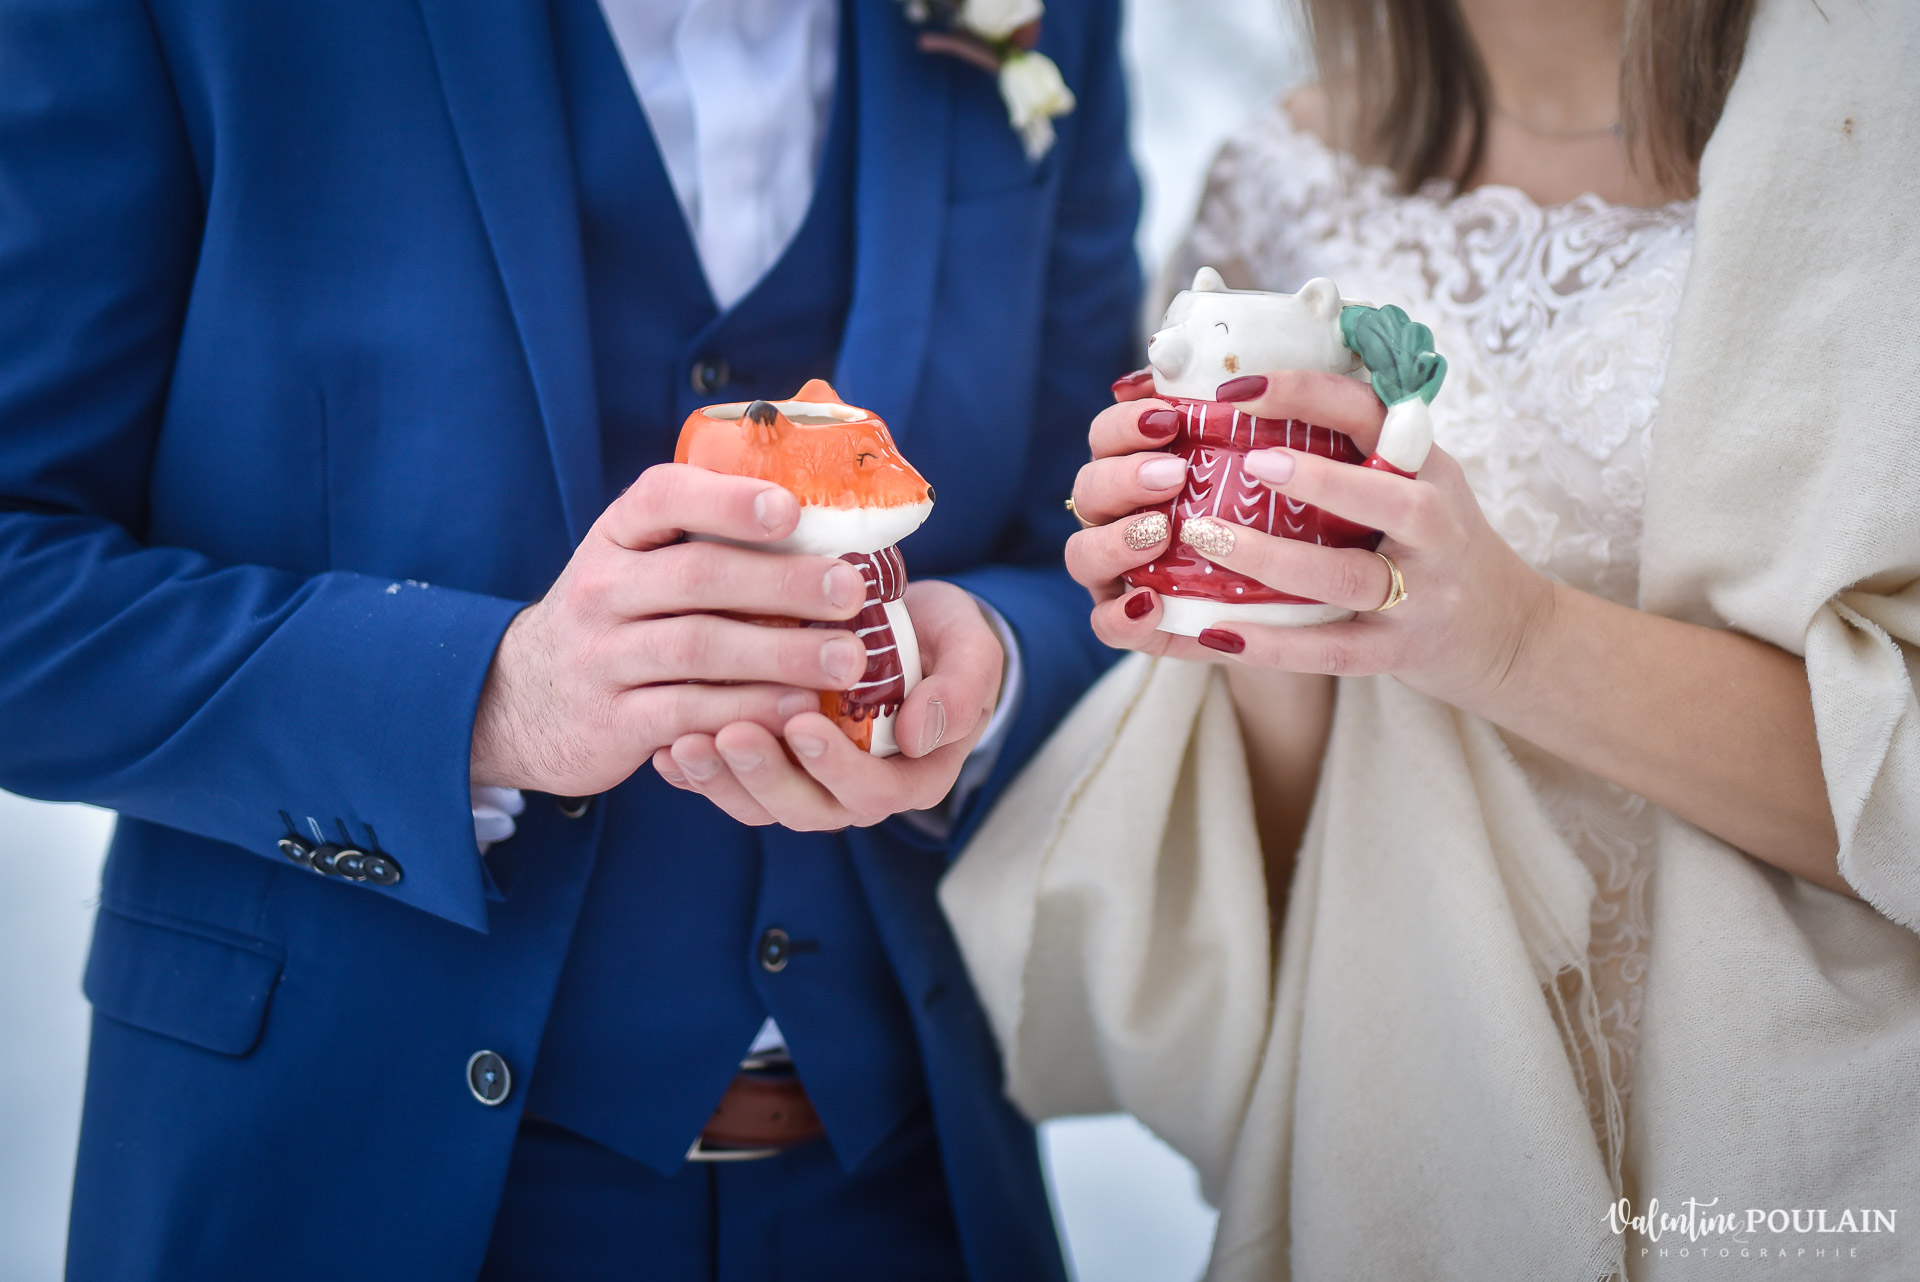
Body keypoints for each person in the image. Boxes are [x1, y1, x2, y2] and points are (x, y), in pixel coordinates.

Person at [0, 0, 1139, 1277]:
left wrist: (988, 666)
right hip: (343, 1175)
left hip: (906, 1188)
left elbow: (1090, 546)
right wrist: (486, 703)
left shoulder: (1054, 20)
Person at [943, 0, 1920, 1277]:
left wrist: (1517, 642)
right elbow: (1280, 876)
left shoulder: (1872, 119)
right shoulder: (1275, 187)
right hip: (1411, 1121)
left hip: (1801, 1158)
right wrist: (1253, 624)